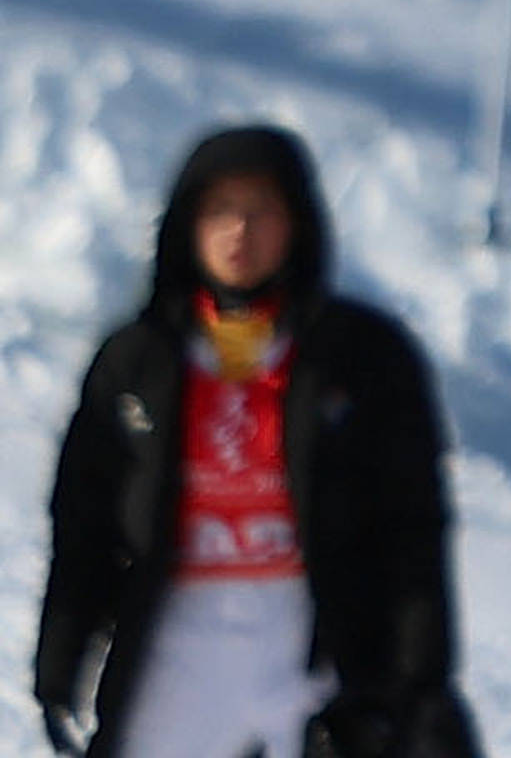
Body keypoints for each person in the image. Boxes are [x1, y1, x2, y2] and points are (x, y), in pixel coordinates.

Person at [32, 117, 476, 758]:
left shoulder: (359, 357)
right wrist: (59, 663)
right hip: (174, 656)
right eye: (221, 211)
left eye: (261, 211)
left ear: (297, 223)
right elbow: (83, 527)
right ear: (187, 226)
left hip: (306, 648)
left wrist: (418, 686)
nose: (240, 232)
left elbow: (412, 532)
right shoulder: (138, 361)